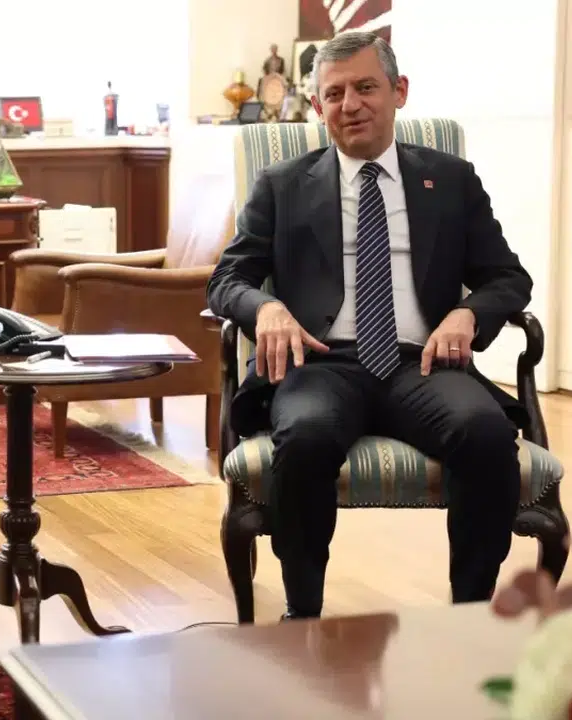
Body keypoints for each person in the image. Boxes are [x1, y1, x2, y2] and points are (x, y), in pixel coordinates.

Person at [207, 31, 533, 619]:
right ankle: (303, 615)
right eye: (334, 94)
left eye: (365, 87)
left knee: (485, 434)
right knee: (305, 437)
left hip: (422, 364)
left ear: (398, 90)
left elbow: (508, 278)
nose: (350, 105)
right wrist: (267, 309)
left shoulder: (450, 180)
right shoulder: (282, 185)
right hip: (320, 363)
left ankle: (472, 618)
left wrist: (467, 313)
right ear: (317, 106)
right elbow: (227, 279)